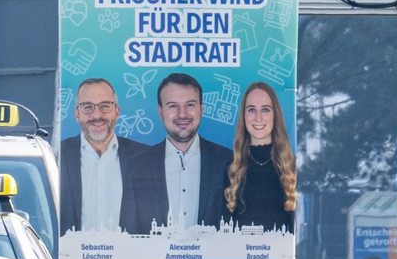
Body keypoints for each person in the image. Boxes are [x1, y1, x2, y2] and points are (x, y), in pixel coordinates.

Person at [123, 73, 233, 234]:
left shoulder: (229, 162)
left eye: (190, 105)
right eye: (173, 106)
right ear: (160, 111)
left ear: (201, 109)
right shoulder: (136, 167)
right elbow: (129, 235)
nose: (182, 114)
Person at [58, 78, 146, 233]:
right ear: (77, 114)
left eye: (105, 106)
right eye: (87, 107)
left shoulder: (145, 157)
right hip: (71, 255)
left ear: (117, 112)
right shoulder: (56, 156)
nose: (97, 115)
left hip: (130, 255)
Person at [220, 81, 297, 233]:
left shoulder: (292, 166)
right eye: (251, 110)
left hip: (280, 255)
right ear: (244, 116)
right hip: (240, 255)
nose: (258, 118)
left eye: (266, 110)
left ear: (275, 115)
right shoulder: (232, 167)